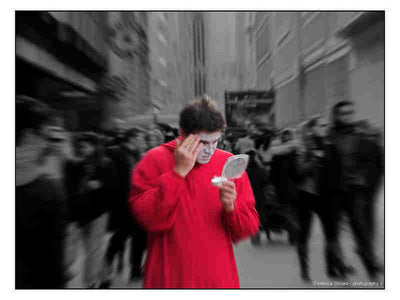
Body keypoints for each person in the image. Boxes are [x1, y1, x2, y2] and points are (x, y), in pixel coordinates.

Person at [129, 96, 259, 288]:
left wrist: (231, 207)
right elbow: (147, 218)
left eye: (216, 141)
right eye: (203, 143)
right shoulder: (154, 160)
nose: (210, 150)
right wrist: (177, 174)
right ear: (182, 134)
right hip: (169, 280)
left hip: (217, 279)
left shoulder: (229, 164)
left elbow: (248, 227)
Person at [325, 100, 383, 280]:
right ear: (337, 116)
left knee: (361, 230)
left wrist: (363, 180)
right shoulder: (329, 137)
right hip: (333, 193)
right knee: (333, 233)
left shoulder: (360, 136)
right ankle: (337, 267)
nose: (348, 117)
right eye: (344, 113)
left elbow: (373, 162)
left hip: (353, 192)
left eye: (351, 113)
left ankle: (371, 268)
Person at [16, 95, 69, 288]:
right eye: (46, 135)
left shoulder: (48, 188)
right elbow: (53, 266)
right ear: (29, 136)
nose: (49, 143)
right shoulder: (48, 192)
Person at [293, 115, 339, 281]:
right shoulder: (302, 148)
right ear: (312, 128)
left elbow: (335, 170)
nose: (325, 127)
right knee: (304, 234)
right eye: (321, 125)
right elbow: (300, 171)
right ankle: (304, 271)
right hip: (307, 195)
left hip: (326, 196)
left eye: (326, 125)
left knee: (331, 234)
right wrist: (315, 159)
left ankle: (332, 268)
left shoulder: (330, 146)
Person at [101, 127, 148, 287]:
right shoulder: (117, 153)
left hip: (135, 203)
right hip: (123, 205)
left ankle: (135, 270)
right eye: (140, 138)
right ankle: (103, 274)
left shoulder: (135, 155)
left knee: (138, 238)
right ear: (132, 138)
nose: (143, 141)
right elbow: (115, 181)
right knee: (118, 240)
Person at [69, 132, 115, 288]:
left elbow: (112, 188)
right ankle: (106, 276)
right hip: (81, 214)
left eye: (85, 145)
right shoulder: (76, 165)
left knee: (93, 249)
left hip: (98, 213)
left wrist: (100, 185)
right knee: (92, 248)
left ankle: (89, 283)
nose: (82, 148)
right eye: (80, 145)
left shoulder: (105, 164)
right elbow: (72, 190)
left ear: (94, 146)